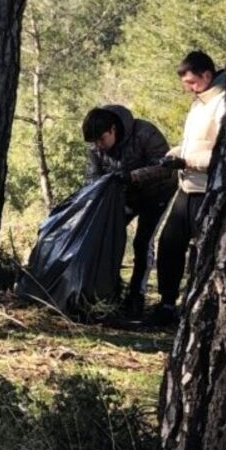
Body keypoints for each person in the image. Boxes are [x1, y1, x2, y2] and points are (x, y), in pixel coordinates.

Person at [151, 51, 226, 326]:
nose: (190, 89)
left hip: (207, 190)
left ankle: (199, 309)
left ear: (207, 76)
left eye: (193, 83)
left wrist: (187, 161)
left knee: (205, 252)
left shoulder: (224, 102)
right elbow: (192, 142)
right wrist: (175, 154)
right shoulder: (199, 103)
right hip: (186, 187)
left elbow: (223, 154)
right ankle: (167, 304)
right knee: (169, 245)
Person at [81, 105, 175, 317]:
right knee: (105, 236)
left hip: (157, 195)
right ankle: (107, 289)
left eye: (102, 139)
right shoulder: (97, 148)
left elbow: (165, 166)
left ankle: (136, 295)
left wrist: (132, 176)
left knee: (142, 242)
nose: (99, 146)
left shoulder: (145, 132)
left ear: (113, 129)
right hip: (124, 198)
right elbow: (92, 178)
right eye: (94, 142)